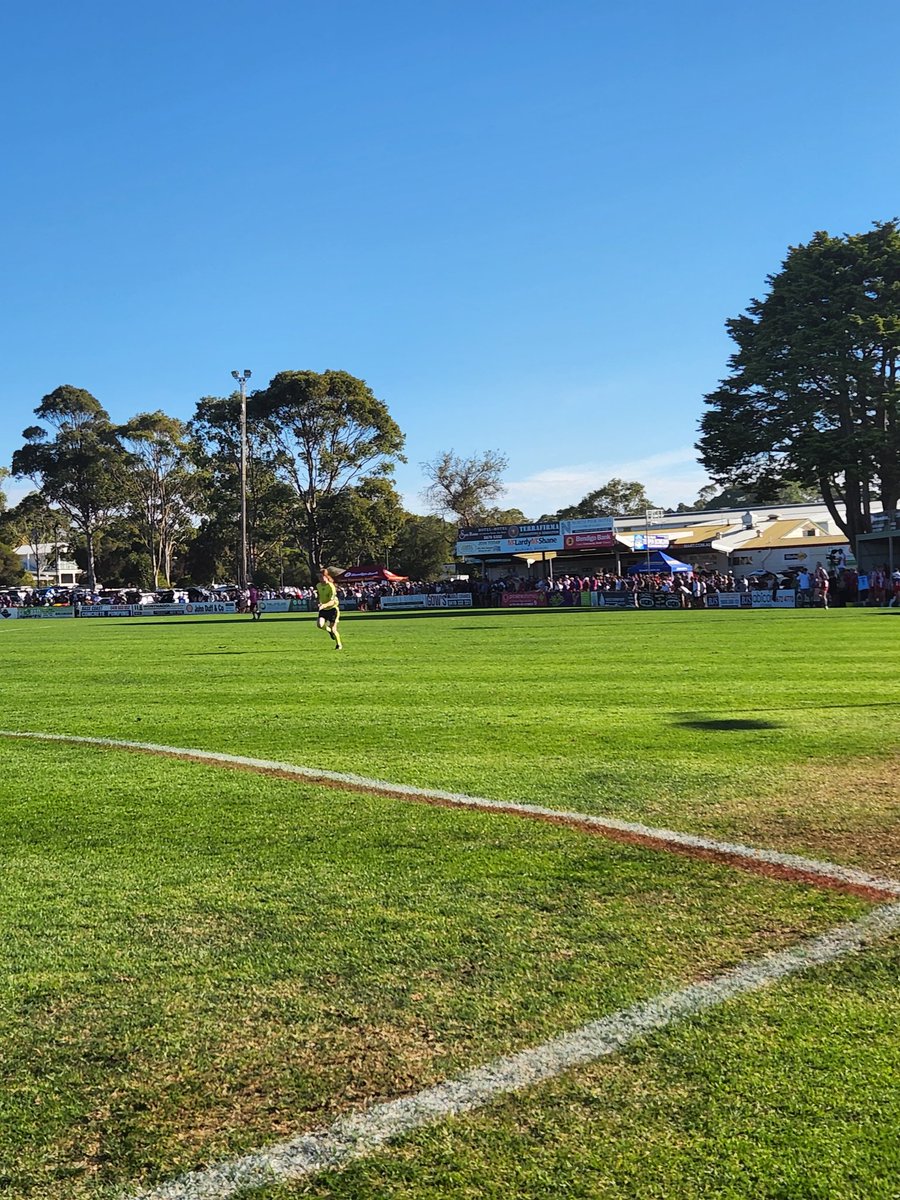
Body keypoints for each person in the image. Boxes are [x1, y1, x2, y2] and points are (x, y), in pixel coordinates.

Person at [316, 568, 343, 650]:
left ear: (326, 577)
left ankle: (339, 645)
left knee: (334, 629)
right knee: (319, 625)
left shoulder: (331, 586)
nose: (320, 579)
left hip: (332, 610)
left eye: (321, 577)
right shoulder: (318, 586)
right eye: (319, 577)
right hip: (324, 609)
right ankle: (329, 631)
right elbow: (320, 596)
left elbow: (332, 601)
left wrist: (323, 605)